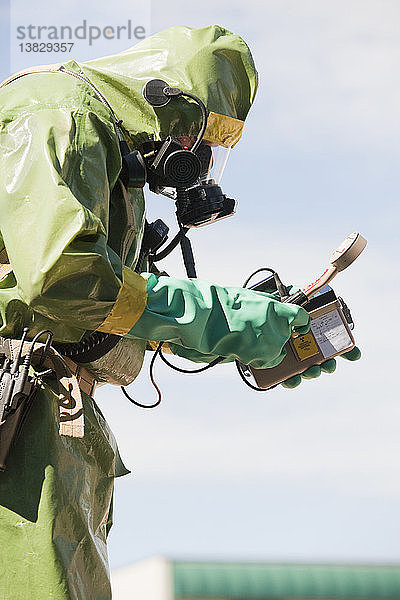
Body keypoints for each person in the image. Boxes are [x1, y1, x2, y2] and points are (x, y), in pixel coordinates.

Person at [0, 25, 359, 599]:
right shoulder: (55, 112)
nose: (198, 161)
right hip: (19, 422)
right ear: (163, 98)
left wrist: (252, 332)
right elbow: (65, 278)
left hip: (45, 419)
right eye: (199, 138)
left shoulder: (112, 154)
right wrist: (218, 318)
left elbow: (119, 307)